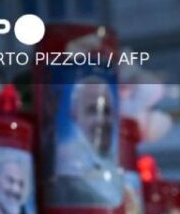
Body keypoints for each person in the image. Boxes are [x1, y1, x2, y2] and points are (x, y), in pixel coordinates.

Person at [46, 76, 123, 207]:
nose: (101, 120)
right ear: (75, 114)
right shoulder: (66, 170)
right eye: (92, 111)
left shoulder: (117, 165)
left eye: (107, 111)